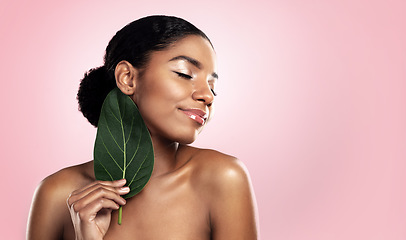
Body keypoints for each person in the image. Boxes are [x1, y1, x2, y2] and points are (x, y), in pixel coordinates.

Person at [27, 15, 259, 240]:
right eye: (184, 73)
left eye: (213, 87)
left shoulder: (223, 179)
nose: (207, 96)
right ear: (128, 78)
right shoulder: (57, 194)